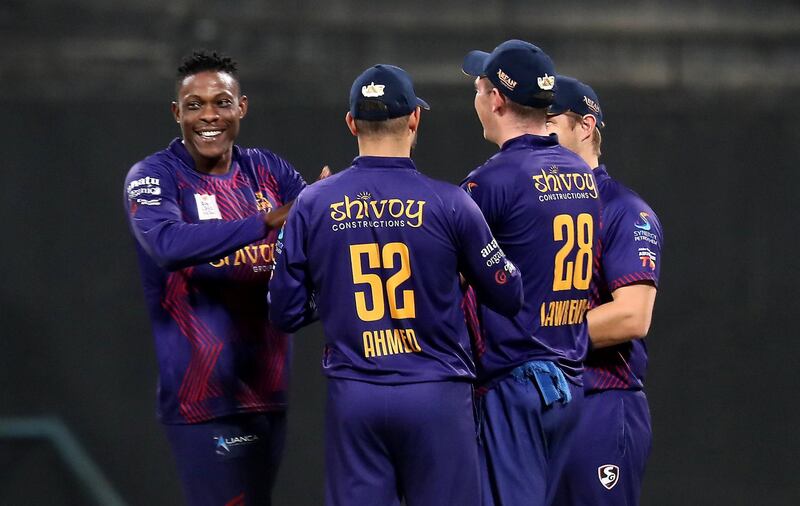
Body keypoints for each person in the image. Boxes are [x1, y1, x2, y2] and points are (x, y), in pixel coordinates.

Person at [268, 64, 523, 506]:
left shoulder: (313, 201)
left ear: (351, 123)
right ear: (414, 119)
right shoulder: (452, 203)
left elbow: (284, 311)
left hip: (356, 396)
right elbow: (508, 292)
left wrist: (333, 292)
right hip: (436, 395)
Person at [123, 49, 309, 506]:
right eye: (195, 105)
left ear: (241, 107)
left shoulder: (269, 170)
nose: (209, 115)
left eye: (222, 102)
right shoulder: (154, 177)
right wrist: (265, 222)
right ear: (177, 113)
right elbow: (167, 245)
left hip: (268, 393)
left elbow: (311, 233)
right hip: (204, 401)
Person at [459, 40, 602, 506]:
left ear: (497, 100)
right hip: (568, 381)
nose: (477, 98)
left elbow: (444, 276)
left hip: (515, 382)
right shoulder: (580, 173)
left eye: (480, 87)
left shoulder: (493, 180)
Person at [546, 75, 663, 506]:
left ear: (586, 126)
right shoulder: (521, 203)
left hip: (598, 399)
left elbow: (632, 315)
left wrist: (540, 340)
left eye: (550, 120)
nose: (538, 133)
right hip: (530, 407)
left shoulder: (623, 210)